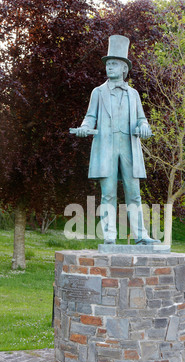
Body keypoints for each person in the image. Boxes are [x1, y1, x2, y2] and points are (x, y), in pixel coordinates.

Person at [74, 35, 160, 245]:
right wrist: (85, 128)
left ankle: (141, 235)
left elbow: (142, 120)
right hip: (107, 147)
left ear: (124, 69)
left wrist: (144, 128)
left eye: (114, 64)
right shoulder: (98, 92)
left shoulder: (133, 95)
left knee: (134, 194)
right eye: (108, 64)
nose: (109, 67)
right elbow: (90, 117)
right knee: (108, 194)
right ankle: (109, 236)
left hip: (129, 148)